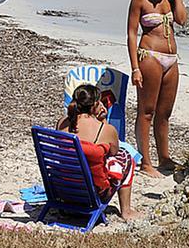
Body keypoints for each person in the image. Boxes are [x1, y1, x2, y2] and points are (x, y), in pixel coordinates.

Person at [126, 0, 188, 177]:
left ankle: (164, 157)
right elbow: (132, 34)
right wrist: (135, 68)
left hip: (171, 60)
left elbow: (181, 20)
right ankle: (145, 162)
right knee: (146, 111)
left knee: (165, 112)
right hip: (149, 56)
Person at [57, 84, 141, 221]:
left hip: (64, 190)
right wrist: (102, 120)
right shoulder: (105, 129)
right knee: (126, 157)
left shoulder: (62, 123)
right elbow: (114, 152)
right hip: (91, 193)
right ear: (95, 104)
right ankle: (126, 211)